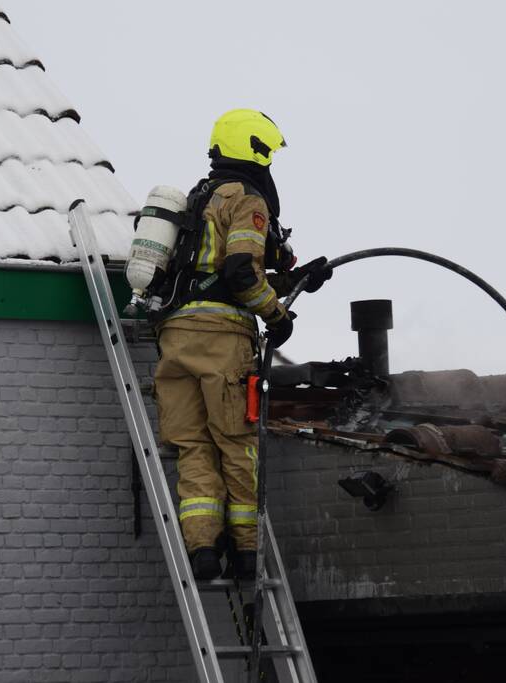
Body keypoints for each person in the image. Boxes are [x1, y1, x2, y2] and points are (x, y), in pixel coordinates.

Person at [153, 109, 332, 580]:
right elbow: (239, 275)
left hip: (175, 337)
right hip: (221, 339)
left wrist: (297, 279)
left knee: (193, 447)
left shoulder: (199, 198)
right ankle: (248, 554)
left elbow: (214, 273)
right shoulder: (247, 199)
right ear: (256, 149)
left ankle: (203, 551)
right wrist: (278, 315)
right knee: (236, 444)